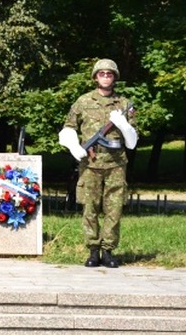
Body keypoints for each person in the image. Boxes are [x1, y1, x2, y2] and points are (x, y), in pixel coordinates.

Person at [58, 58, 138, 268]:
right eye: (101, 74)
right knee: (90, 208)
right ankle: (93, 250)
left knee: (114, 209)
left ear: (115, 78)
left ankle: (108, 251)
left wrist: (123, 125)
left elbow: (132, 142)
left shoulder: (125, 104)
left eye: (109, 74)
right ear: (95, 77)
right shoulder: (83, 101)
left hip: (116, 164)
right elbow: (67, 128)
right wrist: (74, 146)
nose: (105, 77)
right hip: (91, 164)